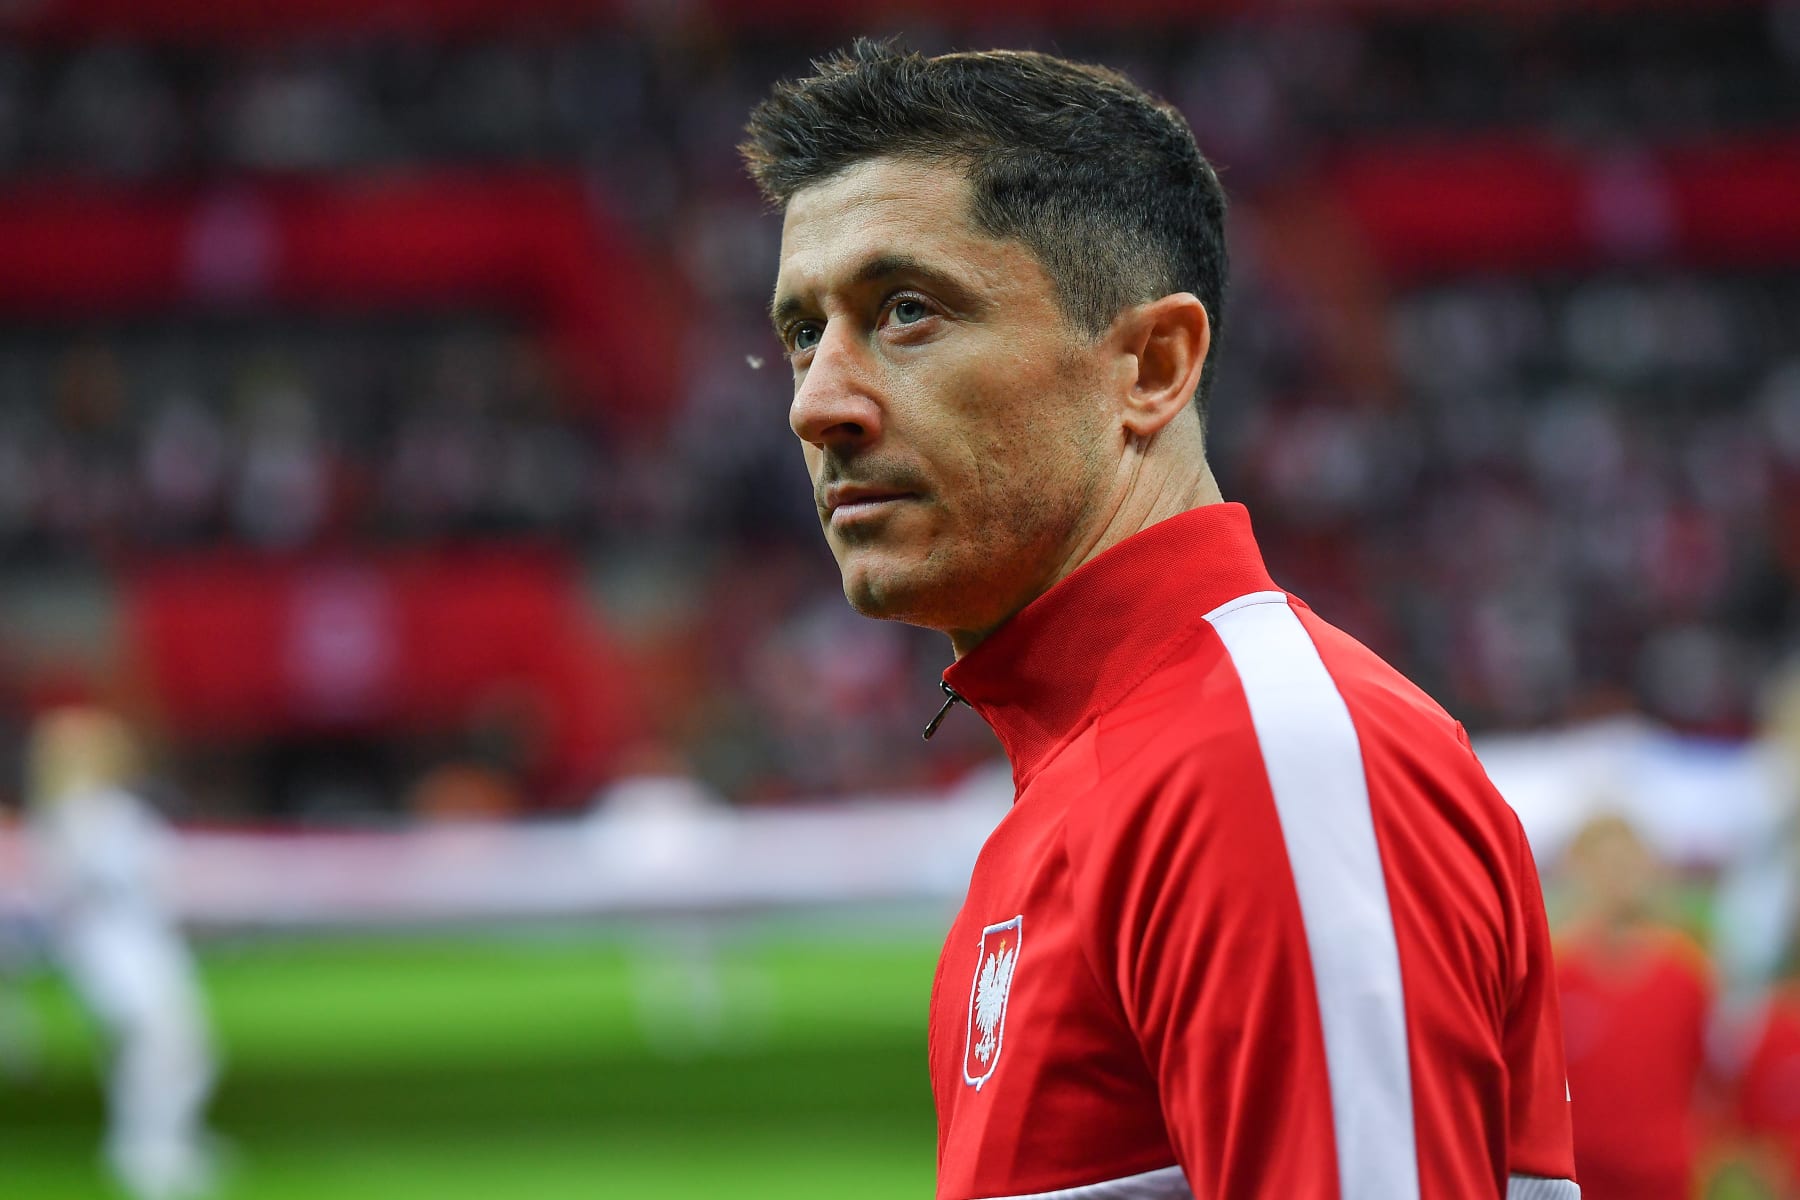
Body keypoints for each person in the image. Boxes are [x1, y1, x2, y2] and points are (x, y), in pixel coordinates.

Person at [742, 40, 1577, 1200]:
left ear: (1153, 364)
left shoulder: (1259, 759)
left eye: (908, 311)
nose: (816, 402)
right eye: (801, 332)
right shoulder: (1111, 777)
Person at [26, 707, 218, 1200]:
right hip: (116, 947)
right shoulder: (82, 812)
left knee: (177, 1049)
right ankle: (148, 1151)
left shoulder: (101, 809)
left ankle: (166, 1141)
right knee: (161, 1044)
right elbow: (86, 886)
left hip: (139, 942)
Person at [1552, 813, 1714, 1199]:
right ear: (1578, 871)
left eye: (1625, 863)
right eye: (1603, 864)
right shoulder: (1557, 972)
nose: (1615, 878)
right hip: (1580, 1173)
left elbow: (1704, 1074)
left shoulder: (1686, 971)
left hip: (1662, 1173)